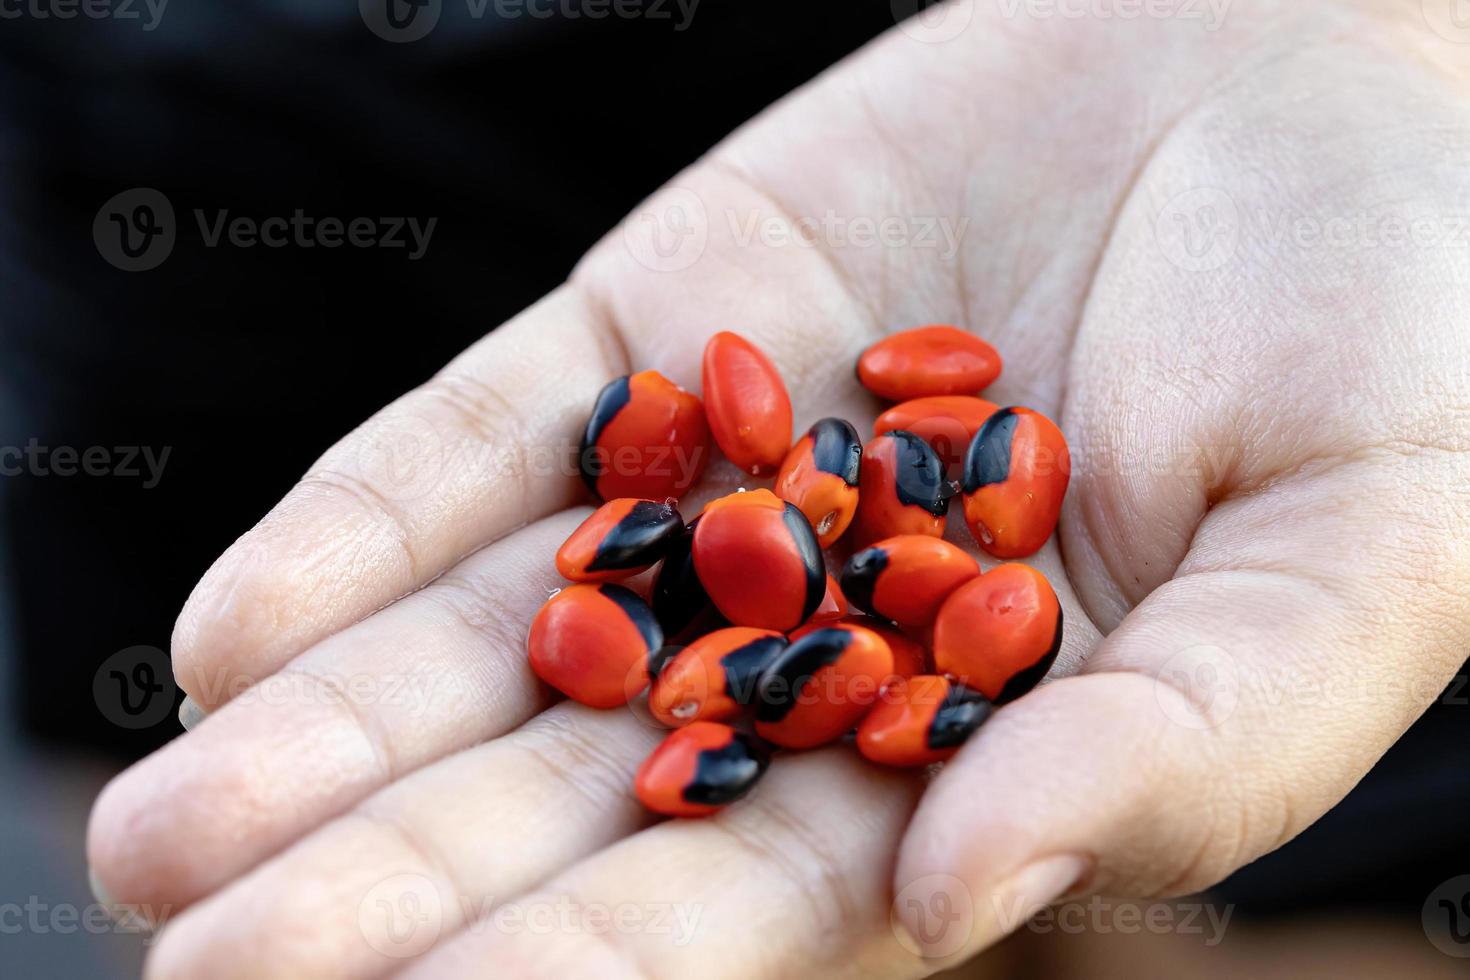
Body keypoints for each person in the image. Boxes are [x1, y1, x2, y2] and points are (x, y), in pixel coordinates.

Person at [86, 1, 1470, 975]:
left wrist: (1396, 34)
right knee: (263, 798)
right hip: (240, 88)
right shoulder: (780, 546)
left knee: (1223, 907)